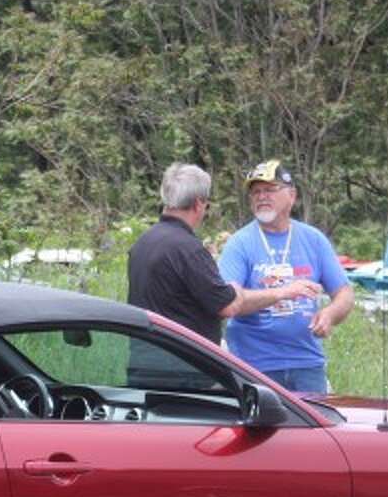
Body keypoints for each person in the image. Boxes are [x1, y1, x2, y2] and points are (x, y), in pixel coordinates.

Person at [128, 162, 320, 345]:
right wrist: (278, 292)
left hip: (144, 353)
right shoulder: (188, 250)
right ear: (198, 204)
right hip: (180, 361)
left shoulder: (142, 243)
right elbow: (228, 305)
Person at [218, 159, 355, 392]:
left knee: (315, 417)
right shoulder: (239, 244)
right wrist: (281, 293)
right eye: (256, 192)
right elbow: (228, 302)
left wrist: (330, 315)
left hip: (307, 363)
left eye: (270, 190)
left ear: (291, 195)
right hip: (253, 365)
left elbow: (344, 292)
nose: (262, 197)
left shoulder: (313, 239)